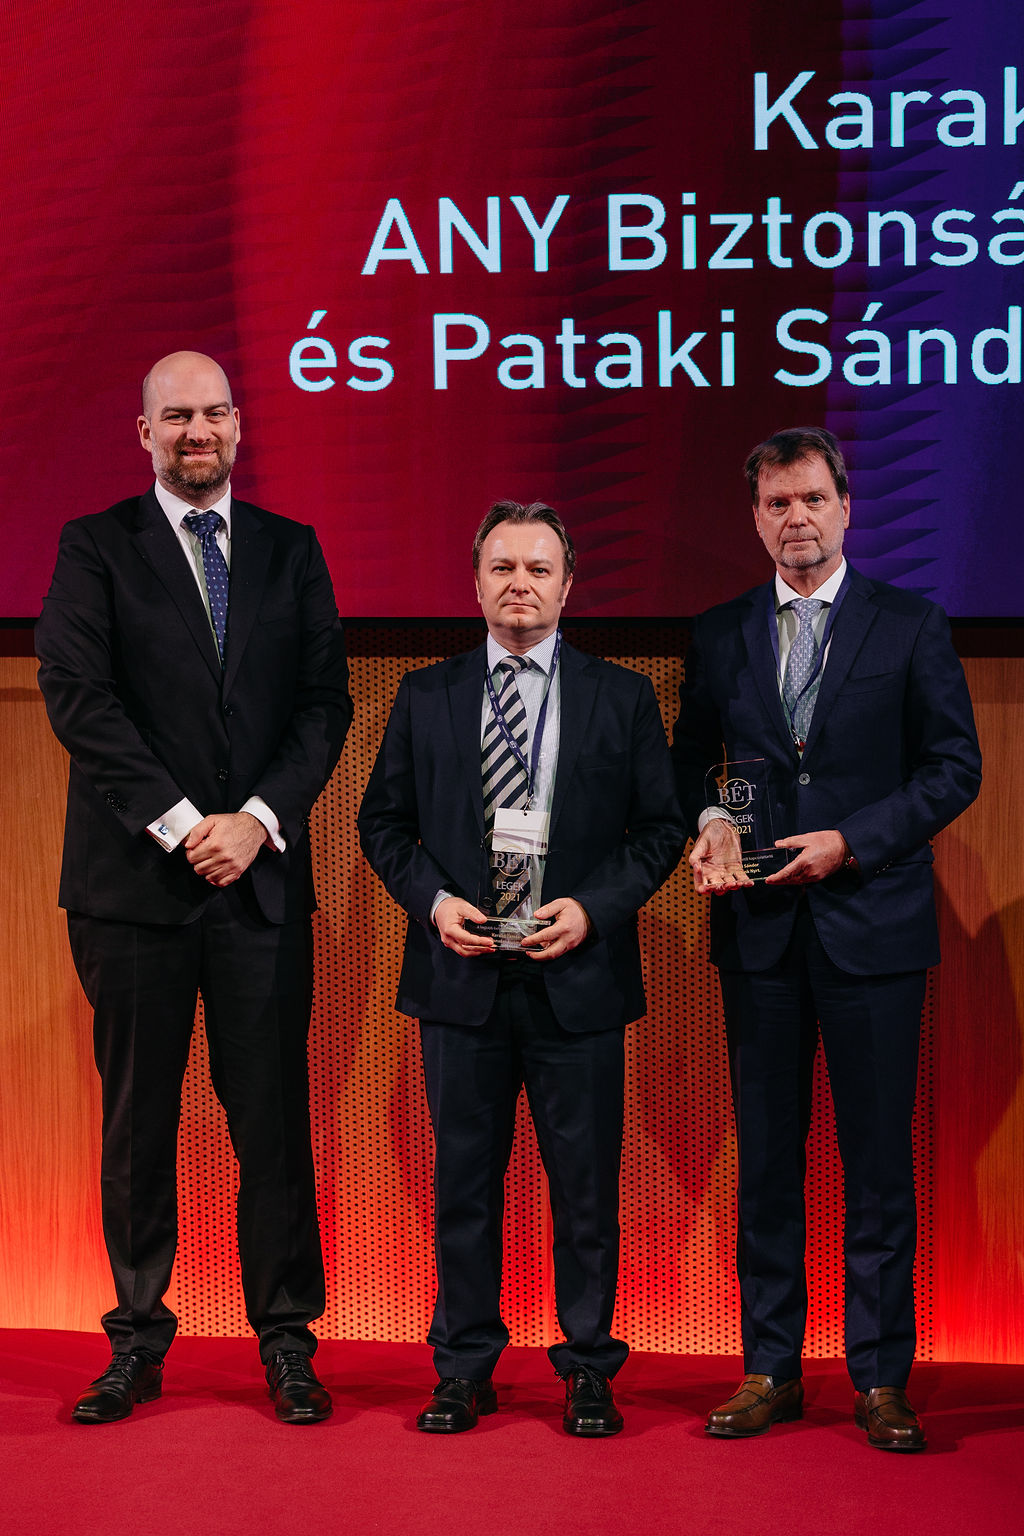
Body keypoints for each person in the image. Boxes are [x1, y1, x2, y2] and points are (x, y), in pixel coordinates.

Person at [35, 351, 353, 1425]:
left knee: (273, 1125)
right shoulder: (94, 546)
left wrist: (256, 821)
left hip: (260, 885)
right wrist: (182, 826)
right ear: (146, 433)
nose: (197, 431)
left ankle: (288, 1343)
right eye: (176, 416)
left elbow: (323, 705)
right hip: (134, 889)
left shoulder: (291, 549)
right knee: (139, 1125)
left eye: (214, 412)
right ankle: (135, 1342)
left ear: (238, 425)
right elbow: (77, 696)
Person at [671, 427, 981, 1451]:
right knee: (767, 1162)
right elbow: (688, 761)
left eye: (811, 499)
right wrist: (708, 817)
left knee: (877, 1168)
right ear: (755, 518)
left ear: (847, 507)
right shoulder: (720, 632)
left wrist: (852, 840)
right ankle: (769, 1368)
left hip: (875, 930)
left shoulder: (910, 624)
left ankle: (880, 1378)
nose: (796, 518)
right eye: (777, 503)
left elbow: (953, 768)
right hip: (759, 934)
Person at [358, 500, 685, 1437]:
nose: (520, 585)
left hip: (576, 979)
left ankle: (587, 1366)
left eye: (539, 569)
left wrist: (592, 909)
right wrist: (433, 903)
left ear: (569, 585)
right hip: (460, 980)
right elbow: (382, 824)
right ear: (475, 583)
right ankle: (463, 1367)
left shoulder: (622, 696)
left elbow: (659, 830)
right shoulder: (425, 694)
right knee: (464, 1189)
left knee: (586, 1192)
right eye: (502, 567)